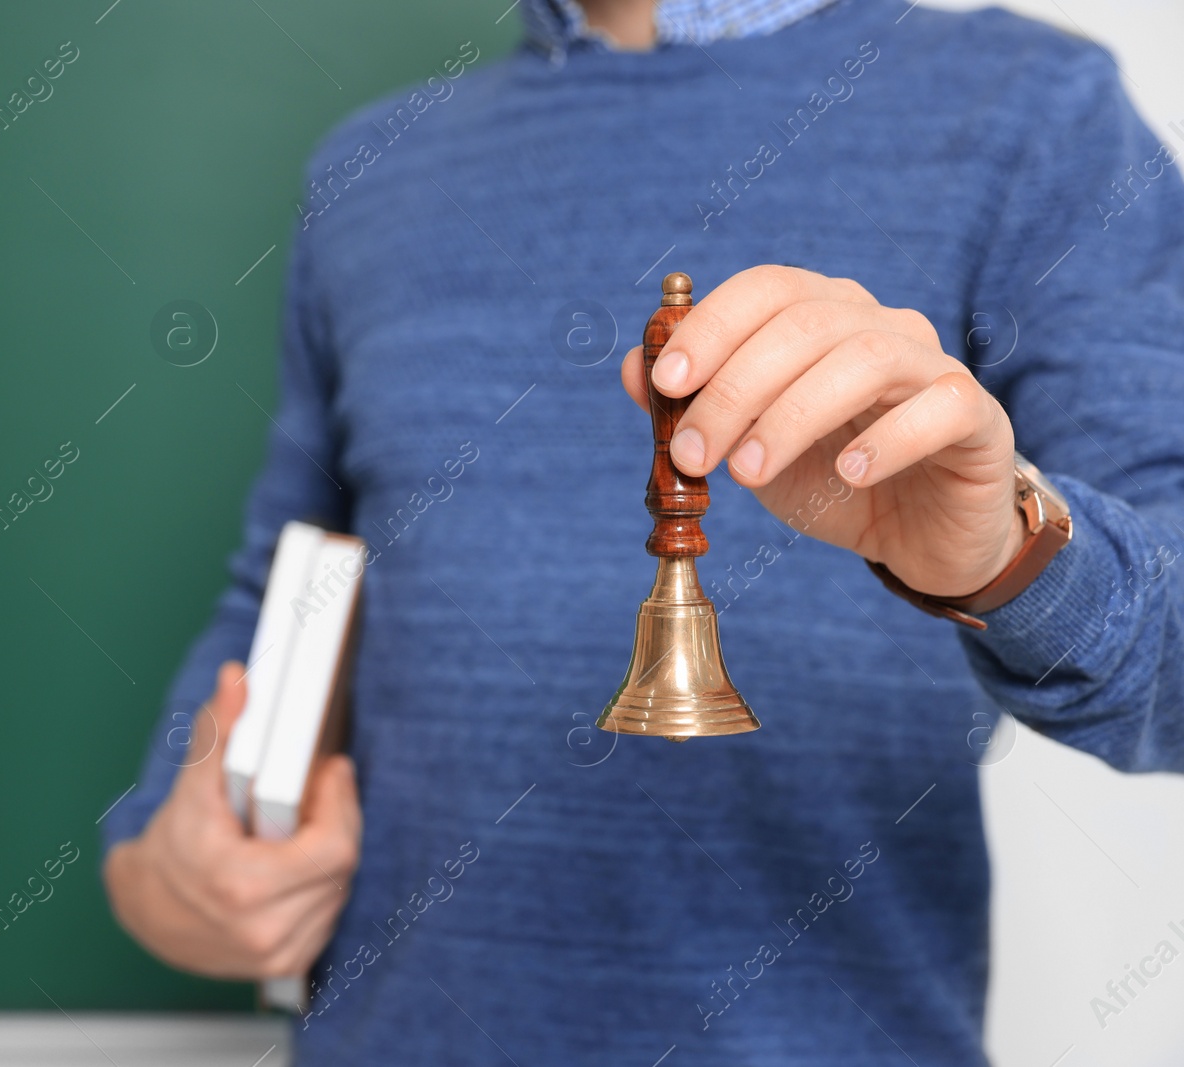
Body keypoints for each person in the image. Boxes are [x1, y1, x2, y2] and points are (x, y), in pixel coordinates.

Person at [101, 0, 1184, 1062]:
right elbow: (287, 585)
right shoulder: (372, 168)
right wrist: (163, 859)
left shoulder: (1034, 113)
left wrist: (1003, 554)